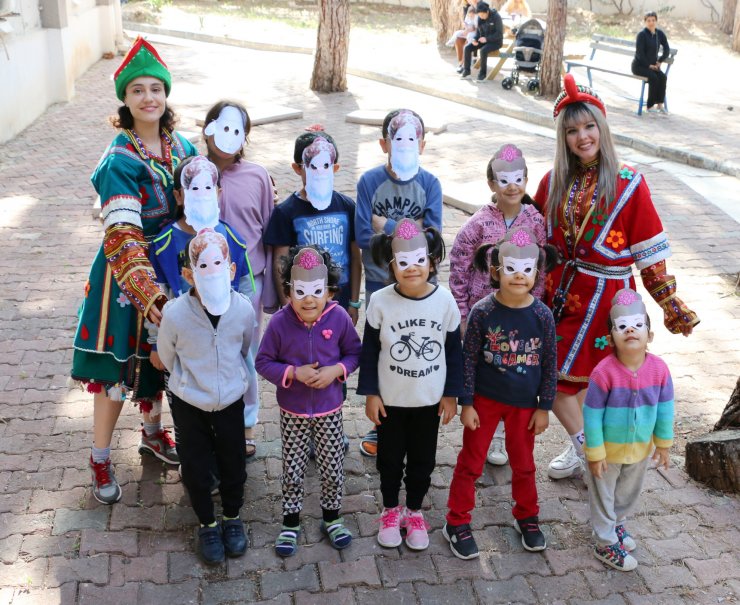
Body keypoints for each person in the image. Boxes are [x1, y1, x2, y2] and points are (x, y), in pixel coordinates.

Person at [533, 74, 698, 481]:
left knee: (588, 379)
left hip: (609, 298)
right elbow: (529, 230)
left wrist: (669, 304)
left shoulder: (629, 183)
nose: (582, 136)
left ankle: (586, 446)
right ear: (563, 137)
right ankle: (587, 446)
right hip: (561, 293)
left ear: (602, 128)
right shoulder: (552, 181)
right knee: (552, 377)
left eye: (589, 126)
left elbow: (649, 254)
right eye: (572, 130)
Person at [71, 37, 197, 504]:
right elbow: (123, 237)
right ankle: (100, 456)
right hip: (124, 281)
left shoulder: (179, 145)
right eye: (138, 90)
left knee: (160, 360)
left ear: (166, 95)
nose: (149, 98)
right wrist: (151, 296)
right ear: (124, 99)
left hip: (168, 269)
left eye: (156, 89)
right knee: (113, 369)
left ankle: (151, 431)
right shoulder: (119, 159)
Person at [443, 228, 557, 559]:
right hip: (484, 402)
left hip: (525, 406)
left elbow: (550, 363)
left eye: (527, 269)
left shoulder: (542, 315)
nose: (519, 276)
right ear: (496, 270)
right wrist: (466, 402)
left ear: (537, 272)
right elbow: (467, 360)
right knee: (471, 463)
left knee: (523, 465)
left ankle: (528, 516)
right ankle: (457, 521)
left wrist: (544, 406)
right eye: (511, 268)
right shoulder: (482, 312)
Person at [357, 219, 463, 551]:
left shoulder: (444, 301)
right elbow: (370, 350)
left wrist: (451, 394)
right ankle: (390, 510)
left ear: (432, 261)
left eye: (419, 261)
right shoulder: (380, 301)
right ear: (390, 265)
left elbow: (454, 352)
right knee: (388, 461)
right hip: (390, 401)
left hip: (428, 402)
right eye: (403, 262)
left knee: (422, 461)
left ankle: (414, 511)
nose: (412, 268)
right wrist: (370, 394)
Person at [255, 247, 362, 557]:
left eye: (317, 291)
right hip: (293, 412)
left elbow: (354, 354)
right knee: (293, 467)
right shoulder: (278, 323)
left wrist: (336, 371)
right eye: (300, 292)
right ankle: (290, 523)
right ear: (288, 291)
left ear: (329, 290)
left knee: (332, 466)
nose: (309, 300)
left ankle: (332, 517)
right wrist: (292, 373)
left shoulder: (339, 317)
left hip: (330, 410)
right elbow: (263, 362)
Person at [157, 229, 254, 565]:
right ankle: (207, 523)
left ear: (231, 268)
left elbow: (243, 346)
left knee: (233, 462)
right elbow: (168, 356)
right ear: (188, 274)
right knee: (196, 466)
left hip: (229, 399)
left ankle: (231, 517)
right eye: (203, 265)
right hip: (189, 403)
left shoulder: (242, 309)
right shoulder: (174, 313)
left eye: (219, 263)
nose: (212, 271)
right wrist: (188, 382)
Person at [449, 144, 546, 467]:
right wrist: (462, 312)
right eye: (504, 180)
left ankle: (504, 439)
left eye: (518, 179)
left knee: (515, 369)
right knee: (484, 370)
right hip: (484, 314)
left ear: (526, 180)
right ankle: (481, 427)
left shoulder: (535, 221)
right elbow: (459, 263)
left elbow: (542, 268)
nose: (512, 186)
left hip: (521, 313)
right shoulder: (478, 223)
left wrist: (537, 308)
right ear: (492, 184)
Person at [355, 108, 443, 458]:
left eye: (412, 137)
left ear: (422, 143)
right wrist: (412, 228)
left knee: (418, 350)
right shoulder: (368, 182)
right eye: (397, 137)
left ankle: (414, 420)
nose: (405, 143)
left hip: (421, 285)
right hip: (379, 283)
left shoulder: (430, 184)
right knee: (383, 351)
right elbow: (363, 234)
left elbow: (433, 239)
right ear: (384, 143)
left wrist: (387, 226)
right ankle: (382, 425)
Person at [203, 100, 278, 458]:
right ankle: (207, 422)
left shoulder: (257, 176)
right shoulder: (194, 171)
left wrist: (273, 290)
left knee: (245, 352)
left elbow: (269, 229)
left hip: (249, 278)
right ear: (208, 127)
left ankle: (246, 424)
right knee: (205, 350)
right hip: (204, 278)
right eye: (222, 125)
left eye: (237, 129)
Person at [583, 288, 674, 571]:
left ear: (650, 334)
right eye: (622, 326)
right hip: (607, 453)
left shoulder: (659, 370)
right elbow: (592, 413)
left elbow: (665, 408)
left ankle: (617, 524)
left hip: (640, 448)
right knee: (604, 495)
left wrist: (663, 443)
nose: (631, 330)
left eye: (638, 325)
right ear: (611, 338)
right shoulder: (604, 372)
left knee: (627, 493)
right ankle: (605, 542)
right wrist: (595, 453)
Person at [265, 129, 362, 323]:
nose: (319, 172)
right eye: (311, 166)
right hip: (303, 303)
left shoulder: (347, 207)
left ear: (335, 168)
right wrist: (287, 306)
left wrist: (354, 302)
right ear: (297, 168)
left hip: (340, 301)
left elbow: (355, 257)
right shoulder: (285, 212)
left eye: (326, 165)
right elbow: (280, 262)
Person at [631, 11, 670, 114]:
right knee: (653, 77)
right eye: (648, 20)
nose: (651, 23)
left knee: (662, 77)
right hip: (639, 66)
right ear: (645, 22)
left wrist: (660, 61)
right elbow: (640, 54)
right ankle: (650, 106)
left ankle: (660, 104)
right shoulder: (642, 35)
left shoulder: (659, 34)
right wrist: (649, 65)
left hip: (652, 66)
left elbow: (666, 48)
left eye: (653, 20)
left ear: (656, 21)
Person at [461, 1, 504, 81]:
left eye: (482, 15)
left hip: (496, 42)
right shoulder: (480, 18)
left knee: (483, 50)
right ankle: (466, 71)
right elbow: (479, 32)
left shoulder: (496, 17)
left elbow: (499, 34)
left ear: (487, 11)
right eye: (479, 15)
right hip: (483, 40)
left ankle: (482, 74)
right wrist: (475, 39)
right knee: (467, 48)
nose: (481, 17)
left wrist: (487, 39)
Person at [446, 3, 478, 73]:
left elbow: (476, 28)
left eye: (472, 15)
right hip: (467, 31)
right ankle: (451, 42)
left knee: (468, 38)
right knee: (457, 33)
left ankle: (463, 64)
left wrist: (468, 30)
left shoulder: (476, 17)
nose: (471, 16)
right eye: (470, 14)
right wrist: (466, 29)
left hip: (473, 33)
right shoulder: (467, 15)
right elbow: (465, 24)